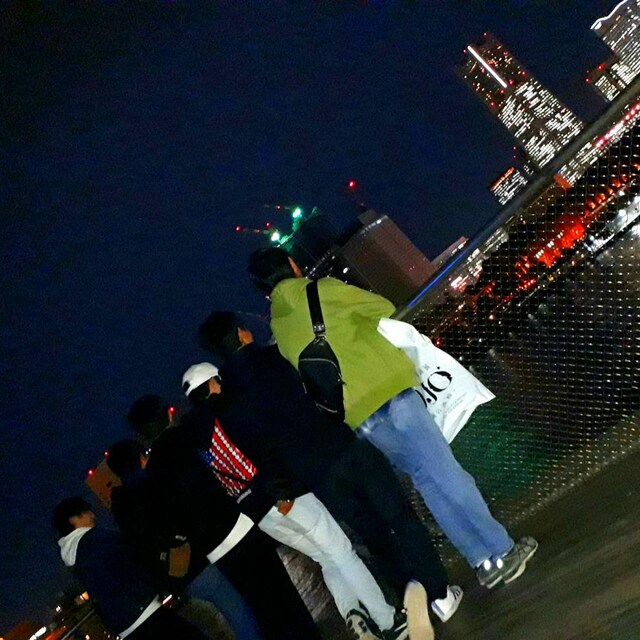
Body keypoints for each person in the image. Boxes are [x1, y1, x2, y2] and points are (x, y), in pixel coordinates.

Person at [248, 247, 538, 591]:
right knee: (447, 473)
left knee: (426, 481)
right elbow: (381, 307)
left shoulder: (279, 327)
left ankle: (482, 560)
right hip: (392, 394)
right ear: (291, 265)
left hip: (359, 415)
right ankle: (502, 549)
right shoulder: (320, 290)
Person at [197, 311, 460, 629]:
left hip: (316, 475)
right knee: (400, 517)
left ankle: (408, 593)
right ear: (241, 334)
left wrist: (291, 482)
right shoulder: (279, 355)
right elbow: (321, 381)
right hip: (343, 444)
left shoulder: (227, 404)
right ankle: (439, 595)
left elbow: (258, 454)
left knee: (373, 533)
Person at [180, 362, 408, 640]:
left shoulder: (194, 440)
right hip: (284, 496)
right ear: (212, 383)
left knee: (325, 558)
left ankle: (353, 614)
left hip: (258, 512)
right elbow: (263, 450)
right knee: (342, 552)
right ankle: (388, 621)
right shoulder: (227, 412)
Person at [126, 395, 321, 640]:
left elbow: (169, 523)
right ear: (167, 414)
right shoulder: (189, 438)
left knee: (263, 610)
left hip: (215, 550)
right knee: (284, 596)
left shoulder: (152, 475)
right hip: (239, 527)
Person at [106, 438, 264, 640]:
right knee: (241, 613)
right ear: (139, 458)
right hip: (195, 563)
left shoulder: (121, 505)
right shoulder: (150, 486)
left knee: (235, 610)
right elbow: (176, 519)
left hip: (177, 575)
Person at [53, 497, 209, 640]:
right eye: (86, 512)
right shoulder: (95, 539)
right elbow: (134, 556)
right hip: (145, 612)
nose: (92, 515)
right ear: (73, 519)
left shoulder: (77, 559)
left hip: (125, 627)